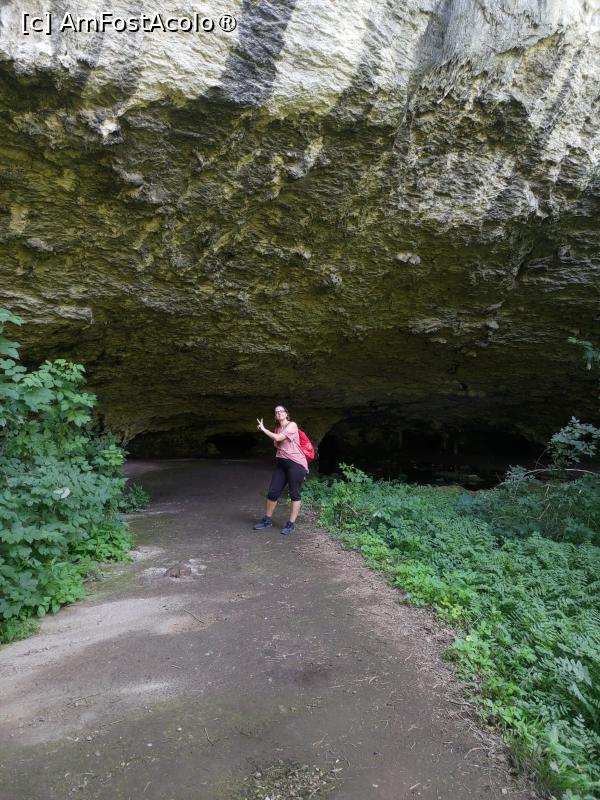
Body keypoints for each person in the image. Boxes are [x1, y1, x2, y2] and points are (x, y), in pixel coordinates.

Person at [254, 405, 309, 535]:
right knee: (273, 492)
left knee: (294, 494)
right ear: (275, 416)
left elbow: (278, 438)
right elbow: (277, 442)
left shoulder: (292, 425)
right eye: (276, 412)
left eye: (281, 411)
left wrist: (263, 429)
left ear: (286, 413)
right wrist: (275, 437)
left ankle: (291, 524)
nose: (279, 413)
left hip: (296, 464)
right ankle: (267, 520)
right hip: (281, 464)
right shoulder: (278, 429)